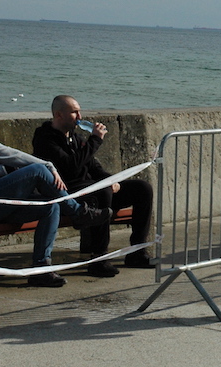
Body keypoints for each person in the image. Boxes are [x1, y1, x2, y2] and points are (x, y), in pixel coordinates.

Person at [0, 94, 111, 288]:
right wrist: (48, 165)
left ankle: (41, 269)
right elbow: (10, 155)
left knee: (50, 206)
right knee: (38, 170)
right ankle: (78, 212)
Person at [32, 95, 155, 277]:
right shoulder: (44, 139)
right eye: (74, 112)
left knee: (142, 189)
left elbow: (94, 168)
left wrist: (112, 181)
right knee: (102, 192)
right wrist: (95, 140)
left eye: (79, 111)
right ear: (58, 115)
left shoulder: (76, 138)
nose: (79, 117)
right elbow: (70, 167)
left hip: (92, 191)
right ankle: (99, 258)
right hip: (69, 196)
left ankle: (137, 252)